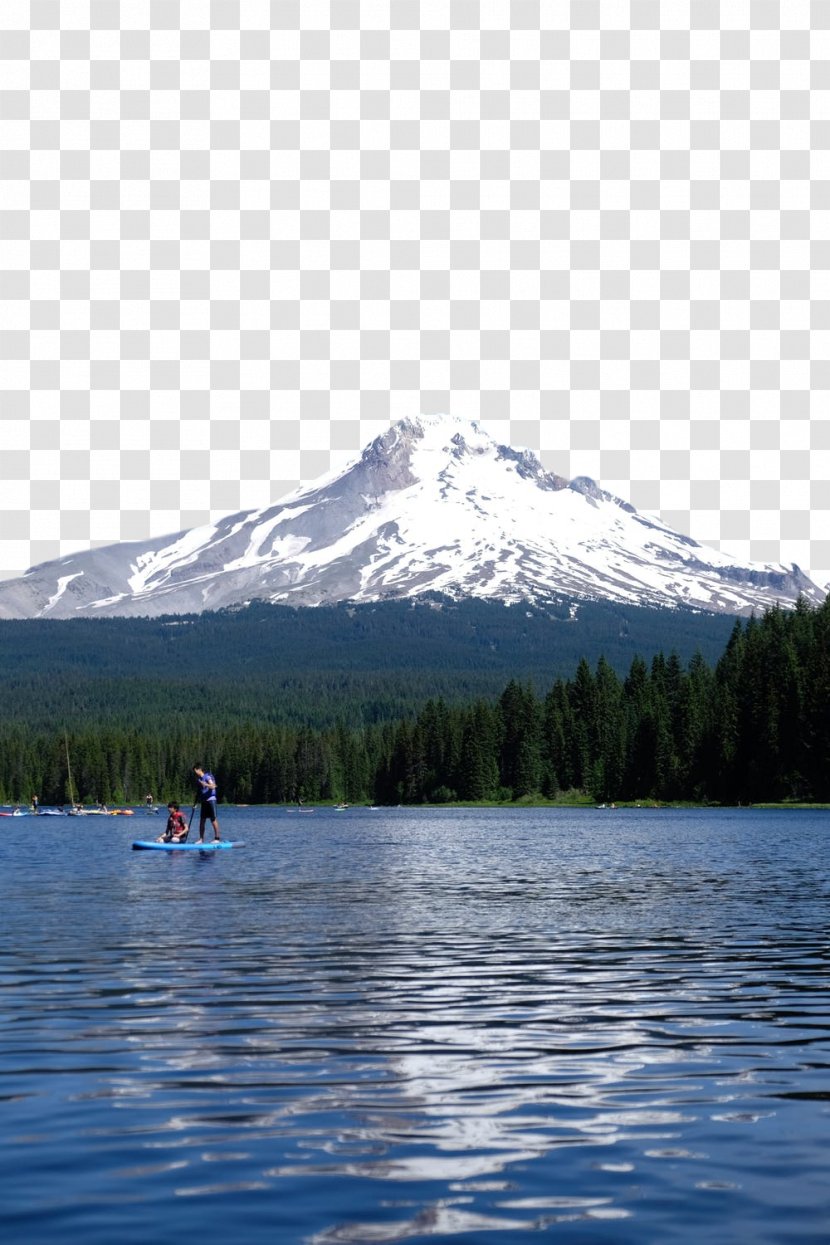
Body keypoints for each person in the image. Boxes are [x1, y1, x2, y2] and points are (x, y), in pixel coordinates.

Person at [193, 765, 221, 842]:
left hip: (211, 800)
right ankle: (201, 839)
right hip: (204, 801)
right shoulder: (199, 779)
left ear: (199, 769)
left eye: (195, 770)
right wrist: (195, 803)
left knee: (213, 819)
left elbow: (213, 786)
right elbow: (199, 792)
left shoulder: (207, 776)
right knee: (202, 820)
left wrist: (205, 784)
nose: (195, 773)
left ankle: (217, 838)